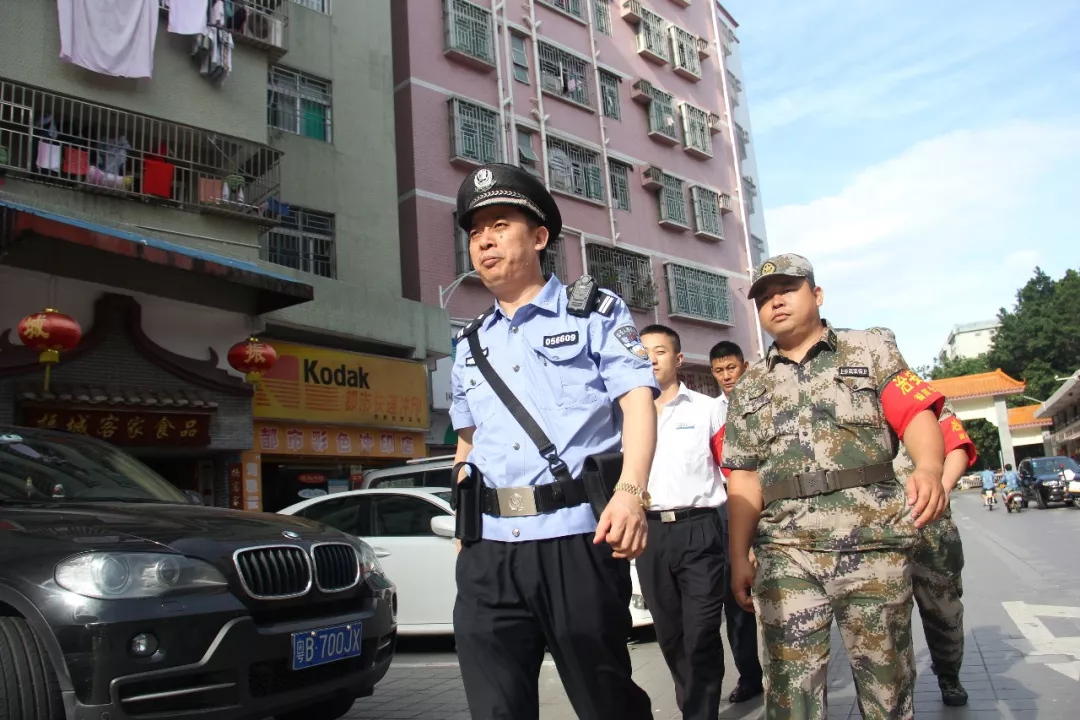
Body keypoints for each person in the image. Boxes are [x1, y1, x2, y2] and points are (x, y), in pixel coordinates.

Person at [448, 163, 658, 720]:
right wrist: (464, 527)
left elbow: (638, 401)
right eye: (475, 231)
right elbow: (467, 442)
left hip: (576, 540)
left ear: (539, 237)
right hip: (488, 551)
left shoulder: (595, 313)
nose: (484, 240)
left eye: (500, 225)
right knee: (495, 709)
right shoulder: (469, 343)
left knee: (605, 700)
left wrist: (631, 494)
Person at [721, 253, 948, 720]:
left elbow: (913, 412)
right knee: (790, 694)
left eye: (787, 290)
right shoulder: (749, 385)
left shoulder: (870, 349)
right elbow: (743, 474)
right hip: (786, 552)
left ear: (817, 294)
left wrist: (928, 467)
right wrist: (738, 555)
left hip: (872, 544)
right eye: (764, 298)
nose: (775, 302)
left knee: (887, 688)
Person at [870, 328, 976, 708]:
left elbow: (957, 445)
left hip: (931, 528)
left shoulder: (918, 396)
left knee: (943, 611)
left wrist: (940, 489)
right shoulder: (851, 402)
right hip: (880, 530)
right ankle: (896, 693)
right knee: (883, 619)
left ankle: (949, 674)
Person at [634, 324, 728, 719]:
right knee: (670, 634)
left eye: (659, 351)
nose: (651, 360)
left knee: (702, 631)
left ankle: (700, 713)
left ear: (678, 359)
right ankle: (691, 705)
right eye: (643, 353)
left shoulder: (707, 409)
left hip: (700, 529)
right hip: (651, 534)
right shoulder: (626, 415)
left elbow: (732, 471)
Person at [708, 340, 764, 703]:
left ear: (744, 366)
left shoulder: (765, 400)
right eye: (719, 371)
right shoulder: (712, 413)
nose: (727, 376)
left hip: (772, 504)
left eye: (731, 368)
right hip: (729, 509)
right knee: (738, 600)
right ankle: (750, 676)